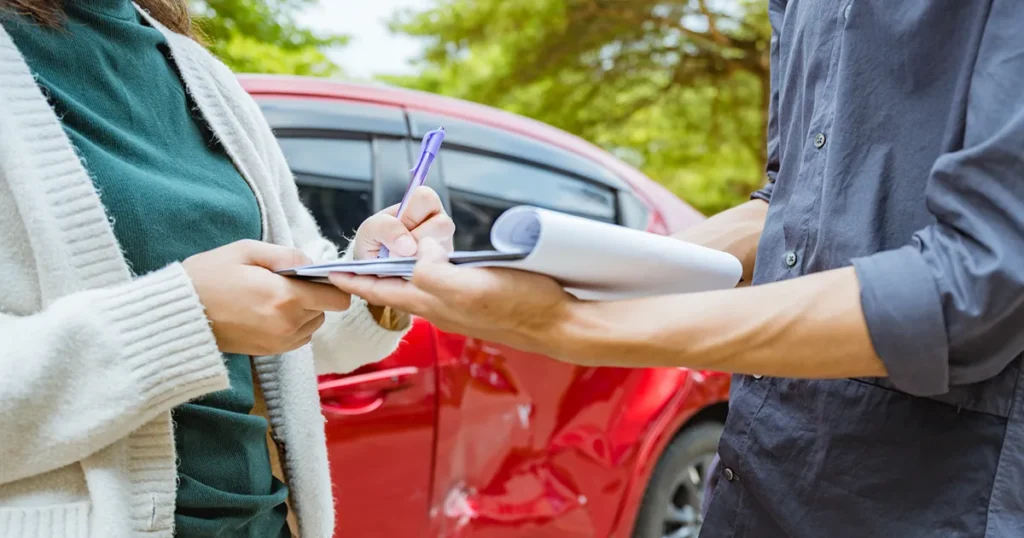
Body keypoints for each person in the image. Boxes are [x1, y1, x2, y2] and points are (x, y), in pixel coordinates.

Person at [330, 1, 1024, 536]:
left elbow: (976, 281)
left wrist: (573, 323)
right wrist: (582, 270)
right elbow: (789, 206)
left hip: (934, 496)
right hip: (764, 468)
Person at [0, 1, 454, 537]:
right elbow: (207, 312)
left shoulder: (199, 71)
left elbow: (299, 326)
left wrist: (372, 276)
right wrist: (183, 320)